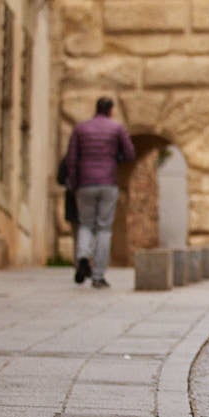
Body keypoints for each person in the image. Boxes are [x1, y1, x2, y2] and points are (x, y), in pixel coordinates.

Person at [65, 97, 135, 288]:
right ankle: (98, 276)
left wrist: (74, 181)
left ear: (95, 109)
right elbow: (130, 154)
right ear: (111, 110)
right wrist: (115, 158)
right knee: (104, 228)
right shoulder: (117, 128)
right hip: (108, 182)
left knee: (86, 224)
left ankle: (82, 257)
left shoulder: (80, 128)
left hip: (85, 183)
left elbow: (71, 158)